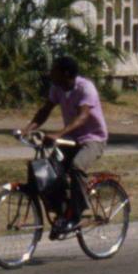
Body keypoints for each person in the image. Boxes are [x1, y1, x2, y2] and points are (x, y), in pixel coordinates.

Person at [20, 56, 109, 234]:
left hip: (93, 139)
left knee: (76, 167)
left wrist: (58, 134)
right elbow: (45, 110)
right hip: (71, 139)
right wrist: (27, 130)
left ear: (66, 74)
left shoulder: (86, 88)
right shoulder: (57, 88)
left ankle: (75, 215)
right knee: (47, 170)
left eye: (54, 70)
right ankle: (62, 213)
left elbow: (82, 117)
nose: (50, 73)